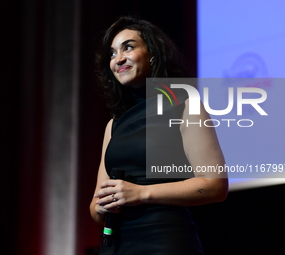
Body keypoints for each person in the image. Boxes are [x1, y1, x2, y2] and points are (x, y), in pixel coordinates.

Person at [90, 16, 228, 255]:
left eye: (128, 47)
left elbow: (215, 185)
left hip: (163, 241)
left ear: (152, 54)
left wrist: (141, 193)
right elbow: (95, 206)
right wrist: (102, 207)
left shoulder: (185, 106)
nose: (118, 59)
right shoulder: (114, 124)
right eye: (112, 54)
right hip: (116, 245)